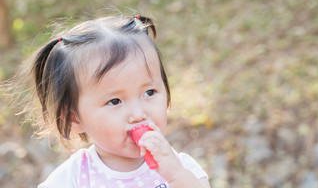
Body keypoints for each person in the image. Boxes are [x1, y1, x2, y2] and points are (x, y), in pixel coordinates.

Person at [7, 15, 210, 188]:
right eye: (114, 101)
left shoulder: (181, 169)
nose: (138, 113)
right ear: (74, 118)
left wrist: (175, 175)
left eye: (149, 92)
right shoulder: (74, 178)